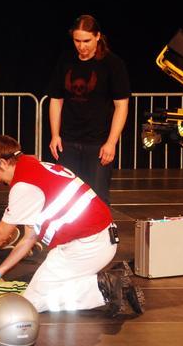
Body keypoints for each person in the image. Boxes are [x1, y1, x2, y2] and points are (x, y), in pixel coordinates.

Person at [0, 135, 145, 315]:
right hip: (98, 242)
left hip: (86, 247)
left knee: (32, 303)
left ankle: (105, 286)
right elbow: (29, 238)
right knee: (44, 292)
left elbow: (1, 234)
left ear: (4, 163)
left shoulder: (23, 185)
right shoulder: (37, 166)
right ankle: (111, 281)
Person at [47, 14, 130, 206]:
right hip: (68, 142)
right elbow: (56, 99)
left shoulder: (112, 64)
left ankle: (101, 227)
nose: (82, 46)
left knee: (97, 198)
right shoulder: (66, 60)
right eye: (77, 41)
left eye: (87, 41)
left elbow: (121, 105)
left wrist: (111, 142)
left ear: (97, 36)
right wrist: (55, 135)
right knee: (66, 196)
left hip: (98, 144)